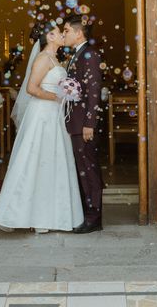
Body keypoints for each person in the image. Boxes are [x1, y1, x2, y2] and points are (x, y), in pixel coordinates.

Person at [0, 20, 84, 233]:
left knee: (51, 162)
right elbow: (31, 88)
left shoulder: (55, 59)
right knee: (38, 160)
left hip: (53, 116)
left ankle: (49, 215)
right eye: (58, 32)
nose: (63, 35)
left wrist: (65, 95)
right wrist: (57, 97)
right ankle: (33, 215)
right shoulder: (43, 58)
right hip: (43, 115)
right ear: (50, 37)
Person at [63, 14, 104, 233]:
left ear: (79, 32)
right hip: (76, 122)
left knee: (89, 170)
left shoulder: (89, 54)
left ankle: (93, 217)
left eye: (67, 30)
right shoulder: (76, 54)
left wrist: (90, 123)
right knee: (82, 169)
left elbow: (94, 91)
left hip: (84, 124)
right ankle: (86, 212)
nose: (64, 34)